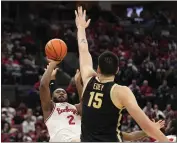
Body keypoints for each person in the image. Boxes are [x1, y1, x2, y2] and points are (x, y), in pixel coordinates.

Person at [75, 6, 169, 142]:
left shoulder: (88, 79)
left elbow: (83, 49)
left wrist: (81, 28)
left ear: (98, 69)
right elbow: (147, 126)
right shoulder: (121, 92)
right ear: (117, 70)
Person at [39, 60, 82, 142]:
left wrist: (78, 82)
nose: (61, 93)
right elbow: (43, 86)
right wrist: (53, 64)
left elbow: (85, 101)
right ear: (52, 97)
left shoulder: (76, 107)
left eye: (64, 92)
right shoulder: (50, 108)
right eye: (58, 92)